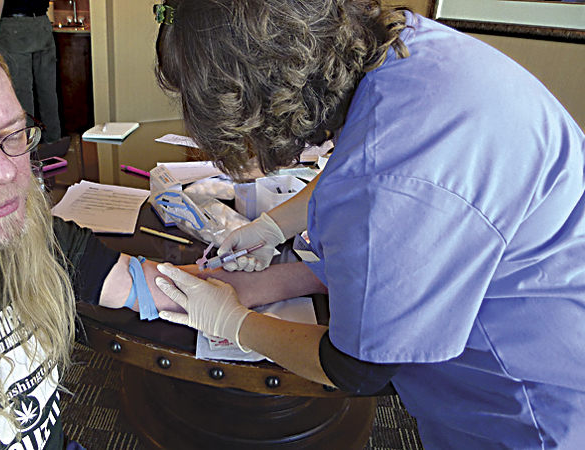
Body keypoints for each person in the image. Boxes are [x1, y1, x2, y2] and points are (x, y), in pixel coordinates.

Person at [0, 8, 323, 450]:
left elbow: (151, 285)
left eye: (12, 135)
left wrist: (310, 277)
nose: (7, 175)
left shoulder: (26, 236)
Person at [152, 1, 585, 449]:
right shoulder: (403, 45)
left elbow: (356, 369)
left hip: (533, 396)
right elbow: (377, 153)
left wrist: (235, 323)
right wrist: (274, 225)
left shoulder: (386, 185)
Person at [0, 0, 62, 146]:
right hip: (42, 22)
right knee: (47, 89)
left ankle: (27, 146)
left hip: (15, 25)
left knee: (22, 92)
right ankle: (53, 140)